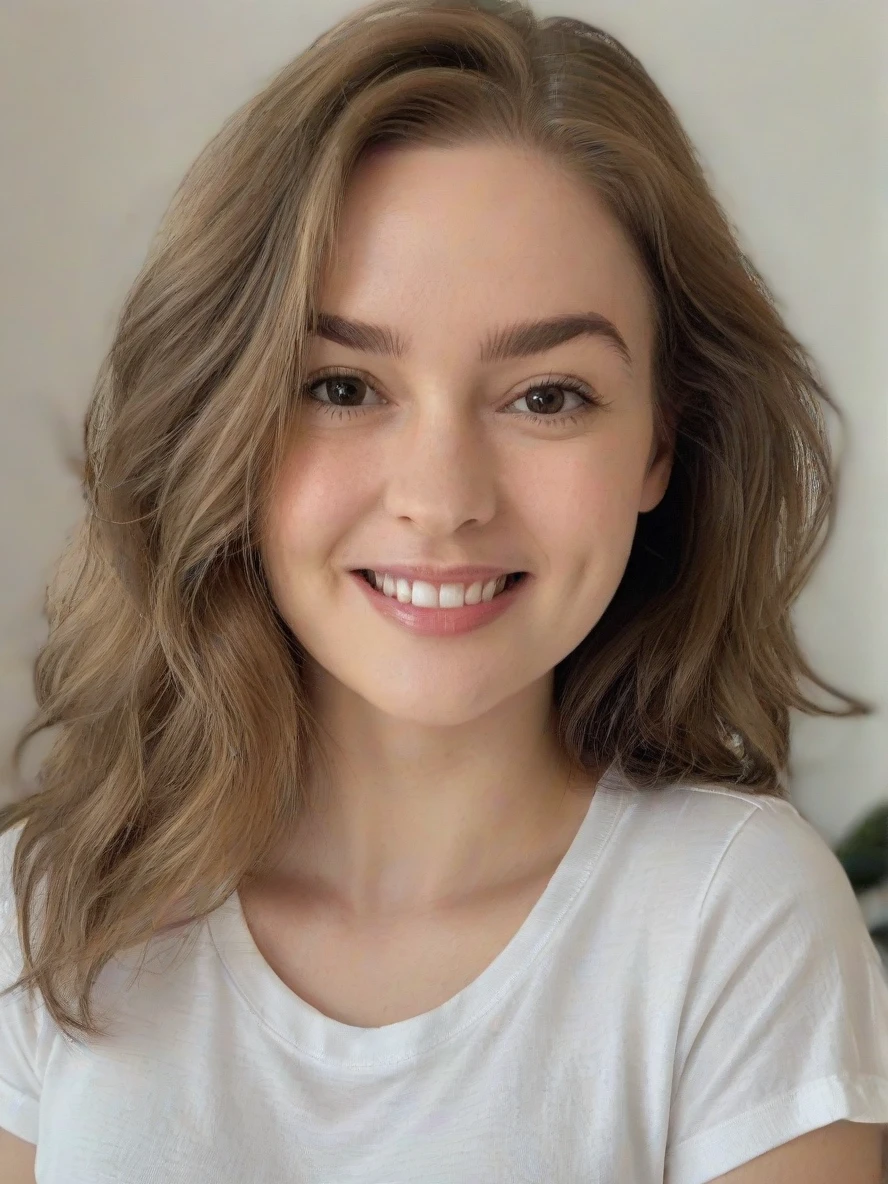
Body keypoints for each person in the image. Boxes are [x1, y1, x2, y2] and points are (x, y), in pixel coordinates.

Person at [2, 0, 887, 1180]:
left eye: (547, 395)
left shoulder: (734, 918)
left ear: (661, 446)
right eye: (342, 385)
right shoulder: (50, 908)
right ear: (226, 416)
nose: (442, 496)